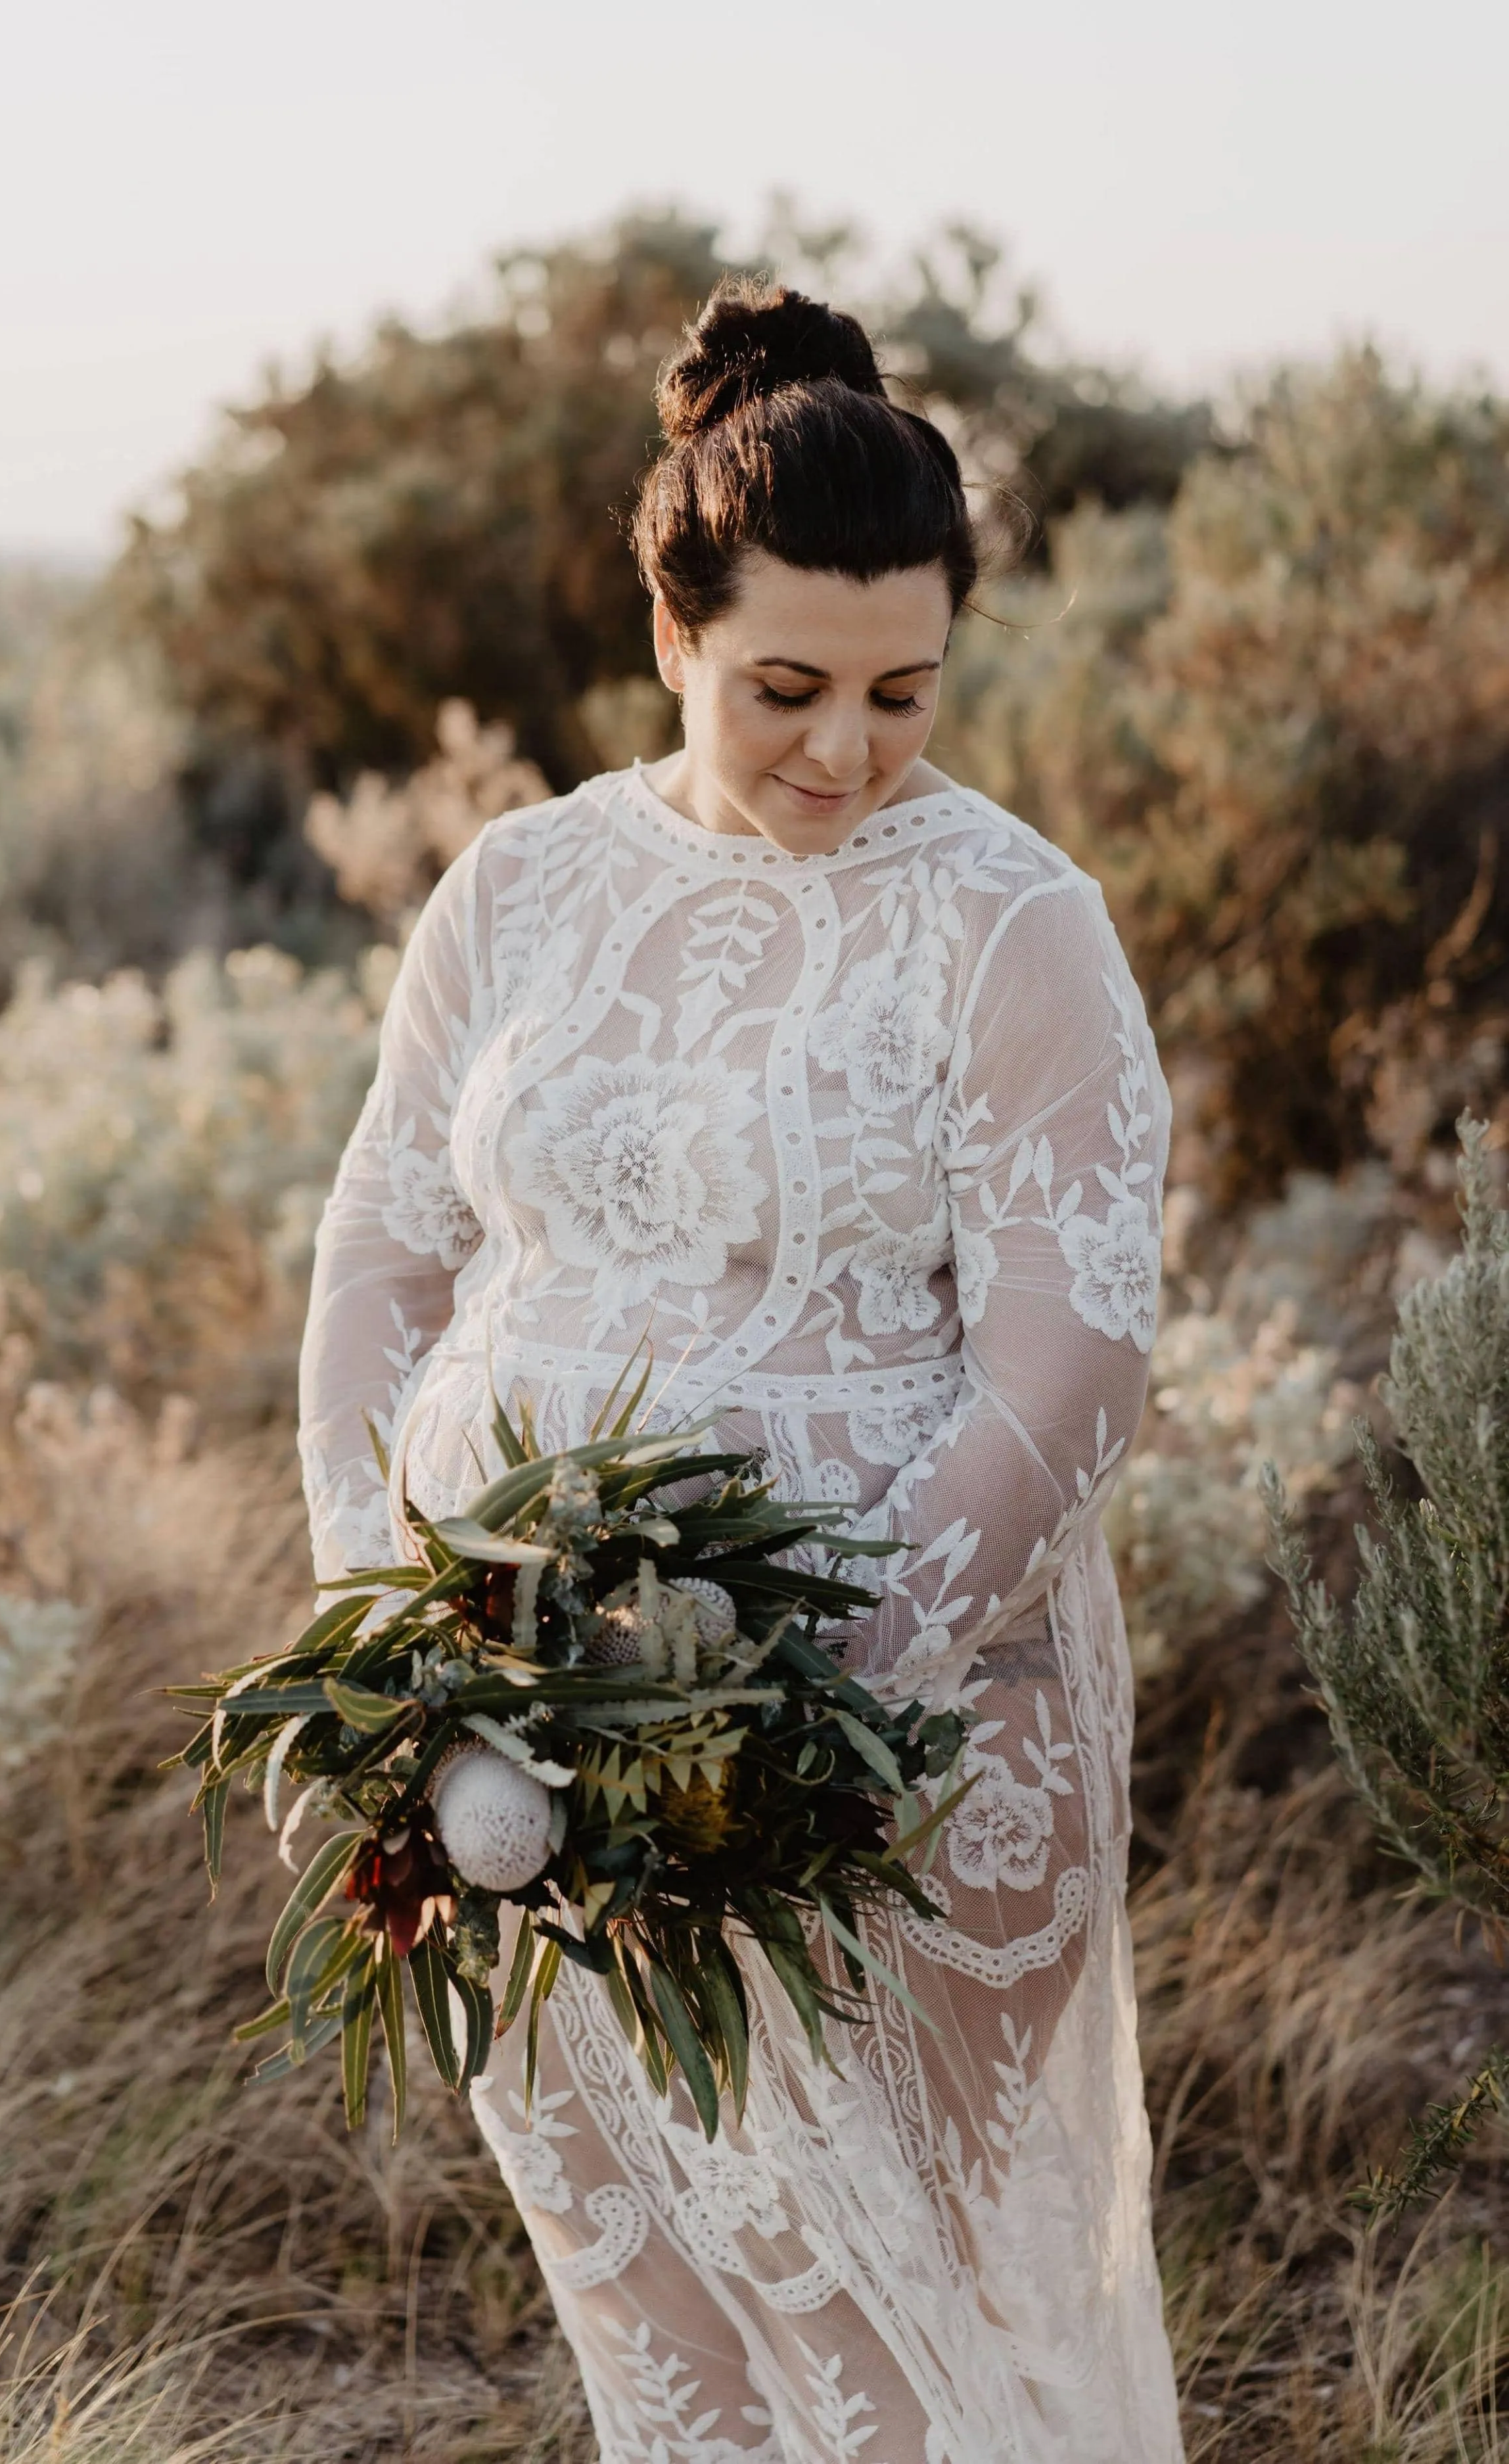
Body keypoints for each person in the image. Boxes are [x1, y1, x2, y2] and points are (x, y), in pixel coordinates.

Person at [298, 280, 1183, 2463]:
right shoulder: (514, 891)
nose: (847, 750)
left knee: (897, 2334)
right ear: (672, 636)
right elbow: (378, 1258)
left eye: (905, 691)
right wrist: (391, 1640)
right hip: (513, 1747)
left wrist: (796, 1720)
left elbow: (1068, 1357)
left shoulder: (1010, 923)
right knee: (658, 2315)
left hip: (889, 1764)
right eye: (785, 685)